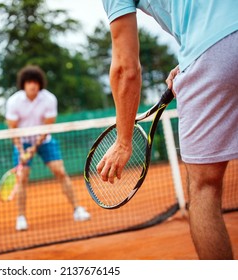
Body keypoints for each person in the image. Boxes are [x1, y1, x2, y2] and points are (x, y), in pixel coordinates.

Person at [98, 1, 238, 259]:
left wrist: (123, 141)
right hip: (212, 48)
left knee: (204, 188)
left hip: (211, 54)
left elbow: (125, 68)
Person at [5, 65, 91, 231]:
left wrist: (35, 146)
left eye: (36, 82)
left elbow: (47, 127)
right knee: (22, 179)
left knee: (60, 171)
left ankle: (77, 209)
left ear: (40, 84)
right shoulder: (13, 102)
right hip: (21, 142)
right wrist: (22, 150)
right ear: (23, 84)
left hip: (44, 140)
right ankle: (21, 217)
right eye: (29, 82)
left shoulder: (49, 99)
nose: (32, 85)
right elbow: (13, 129)